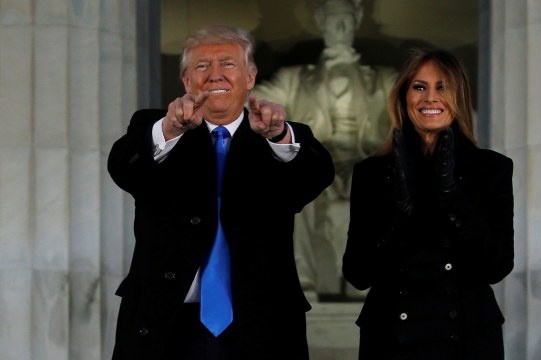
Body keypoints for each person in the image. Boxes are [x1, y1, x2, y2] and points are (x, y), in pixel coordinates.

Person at [108, 24, 334, 360]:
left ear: (250, 77)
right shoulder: (155, 129)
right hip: (167, 326)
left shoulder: (282, 136)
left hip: (261, 326)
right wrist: (170, 128)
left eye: (228, 64)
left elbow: (314, 178)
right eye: (202, 66)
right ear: (186, 81)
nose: (215, 75)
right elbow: (124, 168)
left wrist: (278, 137)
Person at [342, 49, 514, 359]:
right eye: (419, 86)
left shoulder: (492, 168)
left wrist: (452, 199)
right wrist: (399, 214)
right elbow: (357, 273)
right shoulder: (372, 173)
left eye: (442, 87)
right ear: (404, 96)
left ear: (458, 95)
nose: (429, 98)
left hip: (467, 338)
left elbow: (498, 266)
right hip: (391, 339)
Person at [252, 0, 397, 300]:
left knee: (372, 182)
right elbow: (250, 101)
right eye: (333, 20)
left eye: (346, 20)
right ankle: (301, 284)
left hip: (365, 160)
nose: (340, 28)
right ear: (321, 22)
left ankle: (363, 280)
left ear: (357, 21)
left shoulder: (383, 78)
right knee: (293, 190)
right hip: (314, 161)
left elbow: (423, 101)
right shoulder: (294, 78)